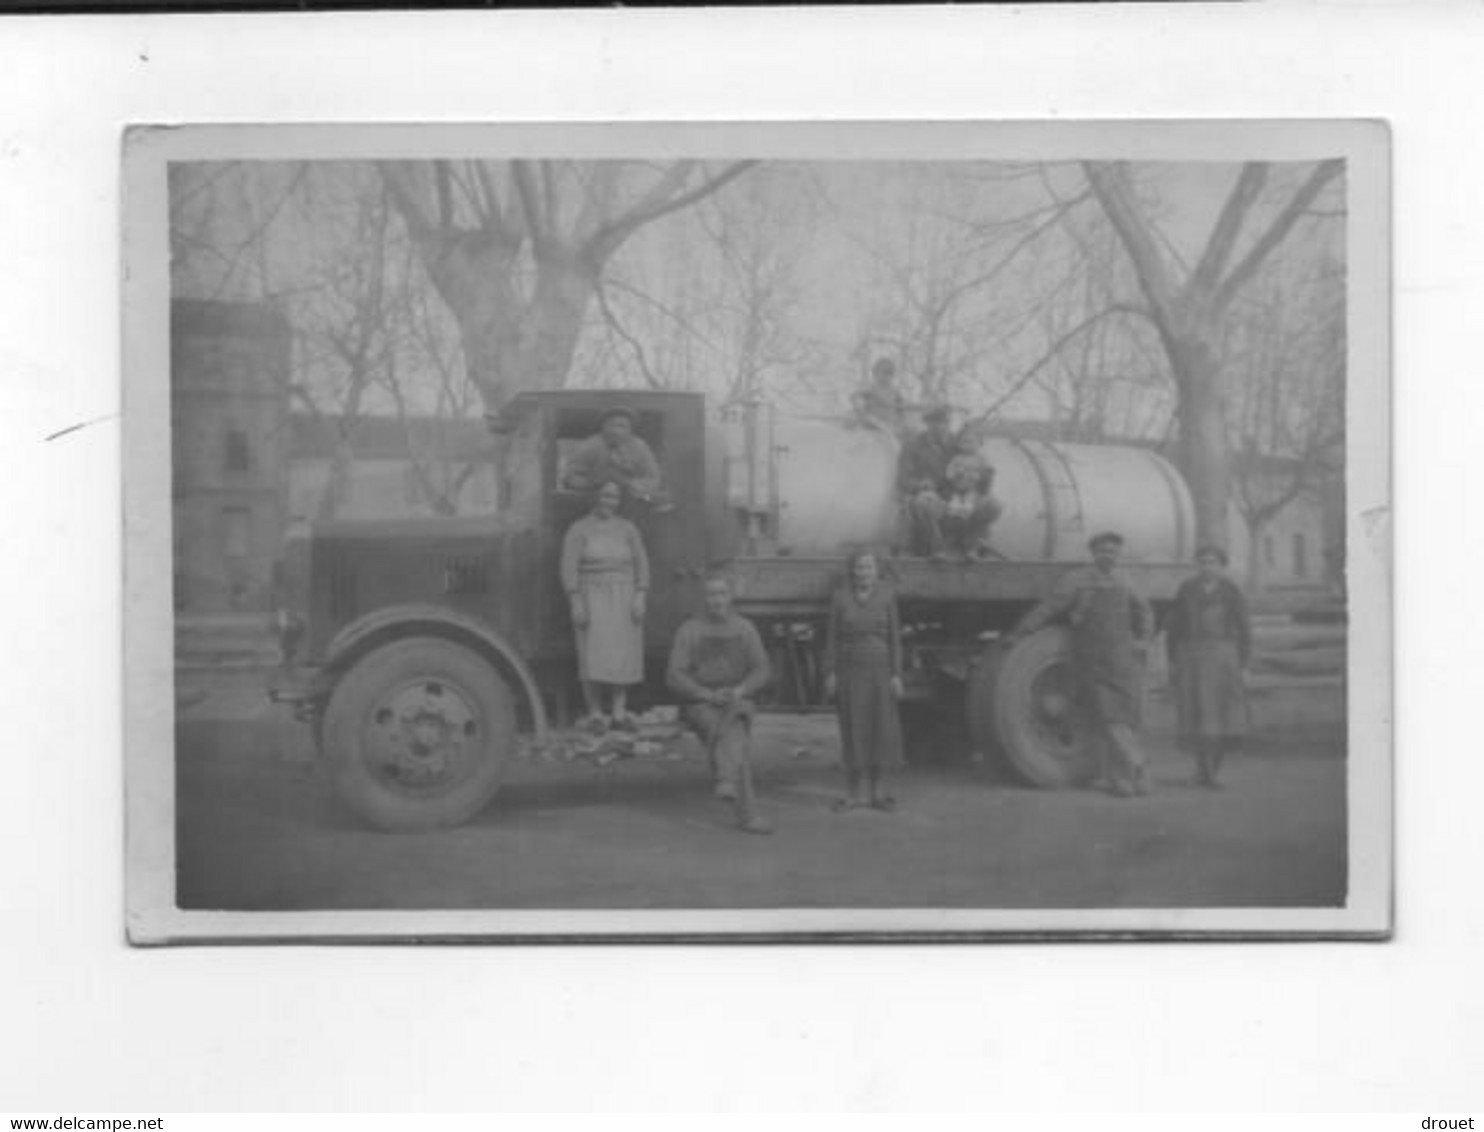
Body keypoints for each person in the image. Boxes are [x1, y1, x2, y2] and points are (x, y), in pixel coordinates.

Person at [1008, 531, 1156, 797]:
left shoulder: (1125, 580)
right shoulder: (1077, 580)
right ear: (1093, 554)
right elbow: (1050, 607)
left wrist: (1144, 640)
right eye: (1102, 551)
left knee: (1124, 717)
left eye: (1112, 551)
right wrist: (1023, 630)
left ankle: (1119, 779)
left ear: (1118, 555)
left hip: (1121, 658)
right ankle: (1138, 767)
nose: (1107, 556)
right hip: (1092, 658)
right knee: (1109, 718)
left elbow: (1144, 609)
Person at [666, 570, 774, 835]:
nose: (717, 600)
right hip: (701, 702)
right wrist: (705, 694)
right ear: (704, 598)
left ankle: (726, 781)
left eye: (722, 593)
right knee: (732, 734)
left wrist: (740, 690)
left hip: (736, 699)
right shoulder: (690, 629)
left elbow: (762, 669)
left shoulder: (745, 628)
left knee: (733, 726)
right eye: (712, 594)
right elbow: (674, 674)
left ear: (731, 596)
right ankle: (747, 815)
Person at [560, 481, 650, 732]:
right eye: (602, 495)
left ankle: (619, 713)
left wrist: (640, 595)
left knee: (622, 655)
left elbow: (642, 563)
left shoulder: (628, 529)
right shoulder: (579, 529)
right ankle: (596, 714)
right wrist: (575, 600)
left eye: (612, 496)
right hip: (591, 595)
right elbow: (568, 567)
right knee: (592, 654)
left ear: (618, 499)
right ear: (593, 497)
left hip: (625, 595)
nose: (607, 501)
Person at [824, 549, 906, 812]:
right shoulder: (840, 598)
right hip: (850, 672)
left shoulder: (887, 595)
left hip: (880, 672)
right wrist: (831, 672)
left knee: (881, 730)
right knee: (853, 730)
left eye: (869, 567)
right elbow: (832, 639)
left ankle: (879, 793)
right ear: (852, 571)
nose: (864, 572)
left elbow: (895, 638)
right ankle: (855, 793)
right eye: (859, 567)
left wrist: (896, 675)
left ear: (876, 571)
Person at [1166, 544, 1253, 789]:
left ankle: (1214, 771)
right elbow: (1173, 630)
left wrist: (1245, 665)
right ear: (1196, 565)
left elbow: (1244, 630)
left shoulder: (1230, 591)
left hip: (1224, 658)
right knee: (1196, 715)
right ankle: (1200, 771)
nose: (1207, 567)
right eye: (1202, 562)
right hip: (1191, 657)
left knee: (1222, 716)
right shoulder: (1186, 590)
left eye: (1212, 562)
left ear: (1221, 566)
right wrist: (1173, 661)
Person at [897, 406, 1001, 559]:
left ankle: (971, 545)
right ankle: (938, 548)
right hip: (934, 499)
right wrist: (920, 484)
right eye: (936, 423)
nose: (941, 427)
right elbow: (902, 480)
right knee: (924, 501)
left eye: (944, 423)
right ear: (928, 424)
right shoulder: (913, 446)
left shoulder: (958, 443)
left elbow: (975, 462)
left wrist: (983, 478)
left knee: (993, 505)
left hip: (958, 496)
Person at [561, 407, 670, 510]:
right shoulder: (591, 446)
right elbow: (569, 476)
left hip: (631, 501)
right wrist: (592, 482)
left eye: (621, 426)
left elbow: (653, 478)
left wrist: (632, 484)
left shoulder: (640, 447)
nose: (615, 431)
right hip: (596, 502)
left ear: (630, 430)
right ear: (603, 427)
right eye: (611, 425)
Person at [941, 427, 1001, 559]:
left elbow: (988, 472)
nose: (968, 445)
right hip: (957, 490)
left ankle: (971, 547)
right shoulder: (957, 458)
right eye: (964, 442)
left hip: (972, 491)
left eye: (971, 442)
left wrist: (978, 476)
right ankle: (950, 542)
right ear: (959, 444)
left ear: (979, 443)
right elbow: (949, 473)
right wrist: (956, 474)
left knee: (969, 511)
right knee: (953, 511)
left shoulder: (981, 458)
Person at [852, 357, 908, 433]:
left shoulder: (895, 391)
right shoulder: (871, 388)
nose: (887, 376)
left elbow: (901, 408)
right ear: (875, 373)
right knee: (871, 421)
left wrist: (901, 421)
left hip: (888, 422)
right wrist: (860, 412)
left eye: (891, 373)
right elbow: (855, 396)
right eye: (885, 372)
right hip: (873, 420)